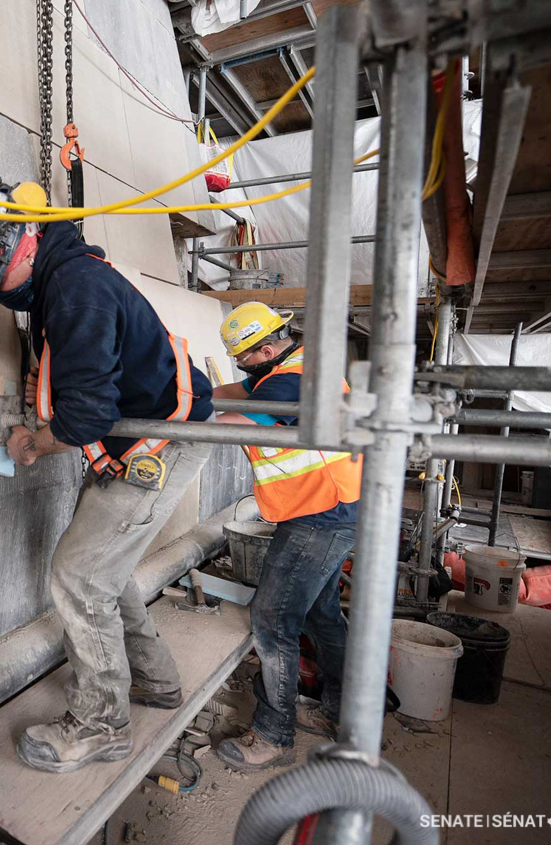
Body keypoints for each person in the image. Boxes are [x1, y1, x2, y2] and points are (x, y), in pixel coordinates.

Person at [0, 181, 215, 773]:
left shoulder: (75, 290)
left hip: (159, 441)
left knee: (78, 575)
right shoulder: (60, 280)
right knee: (101, 571)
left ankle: (99, 726)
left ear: (24, 241)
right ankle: (156, 683)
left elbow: (86, 413)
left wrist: (34, 444)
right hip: (140, 435)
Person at [209, 302, 361, 771]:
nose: (243, 368)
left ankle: (273, 734)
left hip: (321, 513)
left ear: (269, 348)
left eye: (246, 358)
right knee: (322, 615)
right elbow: (232, 390)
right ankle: (343, 714)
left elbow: (233, 420)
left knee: (273, 618)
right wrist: (182, 388)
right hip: (336, 507)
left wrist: (176, 412)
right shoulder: (294, 366)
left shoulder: (289, 381)